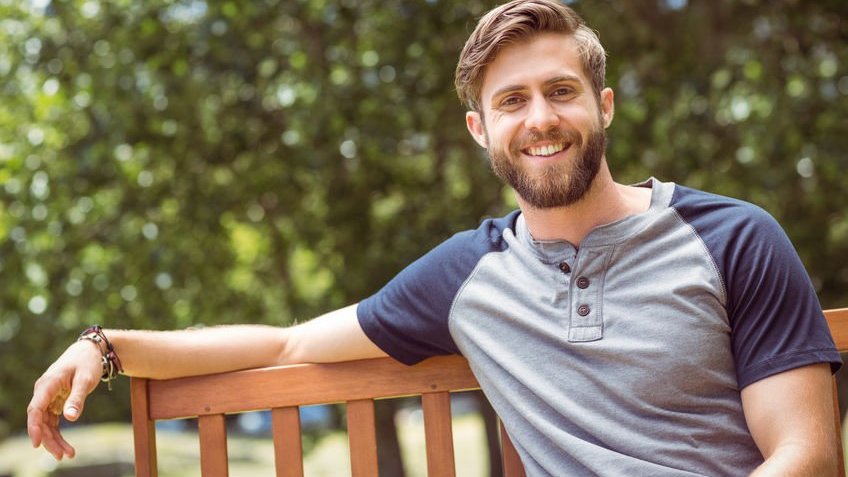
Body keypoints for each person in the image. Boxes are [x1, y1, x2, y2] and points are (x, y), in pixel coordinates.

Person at [28, 1, 842, 475]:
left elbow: (807, 451)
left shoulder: (731, 235)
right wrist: (104, 345)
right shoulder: (469, 274)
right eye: (512, 101)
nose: (541, 118)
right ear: (480, 130)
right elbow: (282, 345)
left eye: (562, 91)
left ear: (606, 106)